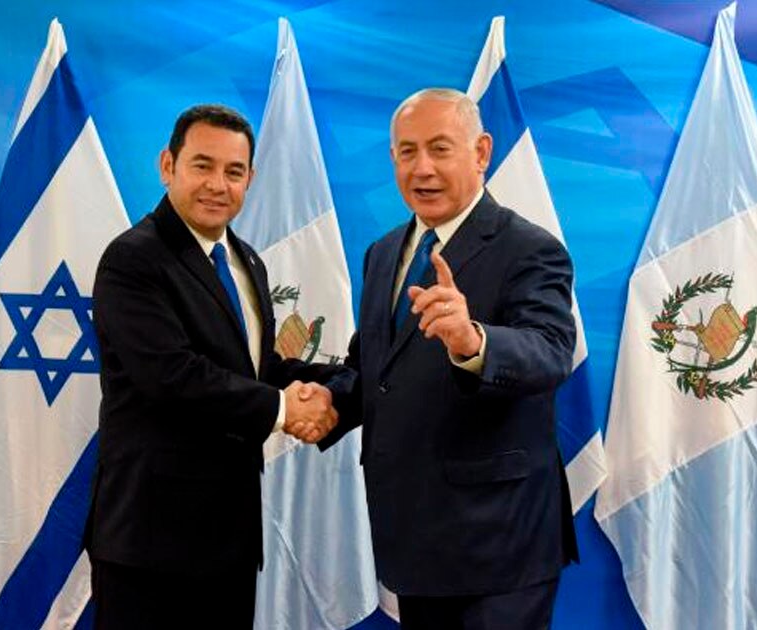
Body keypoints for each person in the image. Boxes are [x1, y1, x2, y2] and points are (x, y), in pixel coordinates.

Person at [321, 88, 579, 629]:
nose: (423, 168)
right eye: (407, 152)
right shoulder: (383, 252)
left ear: (481, 152)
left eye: (440, 149)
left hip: (498, 545)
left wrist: (473, 341)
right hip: (412, 539)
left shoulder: (530, 248)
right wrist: (317, 404)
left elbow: (551, 352)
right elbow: (374, 371)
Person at [86, 104, 343, 629]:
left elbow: (254, 366)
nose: (217, 185)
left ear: (250, 178)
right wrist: (282, 408)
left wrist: (343, 388)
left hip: (229, 537)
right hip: (150, 542)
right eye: (202, 165)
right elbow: (172, 377)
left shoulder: (245, 259)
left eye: (234, 171)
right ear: (167, 165)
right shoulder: (133, 259)